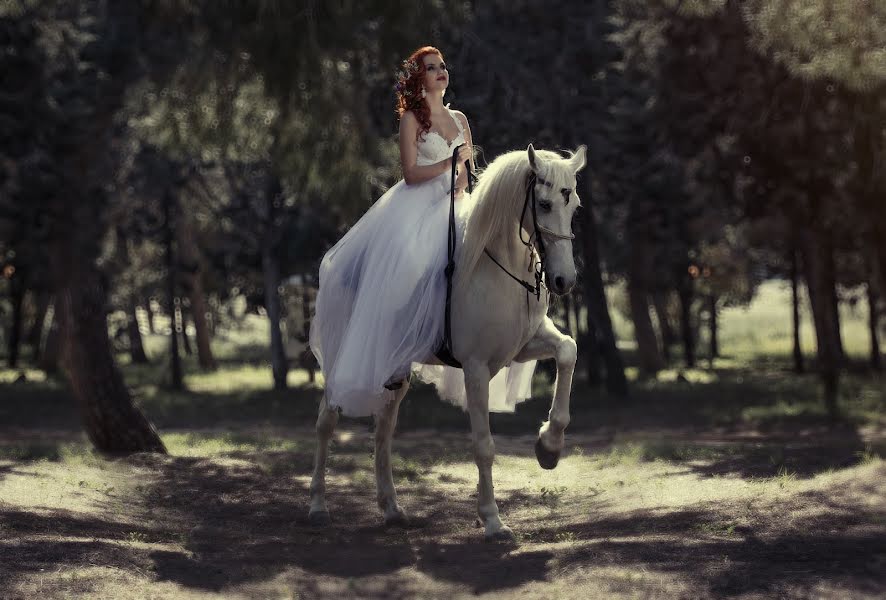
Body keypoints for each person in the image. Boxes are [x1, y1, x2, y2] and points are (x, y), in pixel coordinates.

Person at [309, 46, 475, 417]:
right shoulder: (412, 120)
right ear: (420, 79)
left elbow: (466, 175)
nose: (440, 72)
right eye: (431, 68)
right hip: (416, 205)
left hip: (454, 203)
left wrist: (458, 177)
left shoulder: (461, 119)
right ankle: (396, 352)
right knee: (411, 261)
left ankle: (466, 338)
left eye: (443, 66)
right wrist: (448, 164)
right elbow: (411, 174)